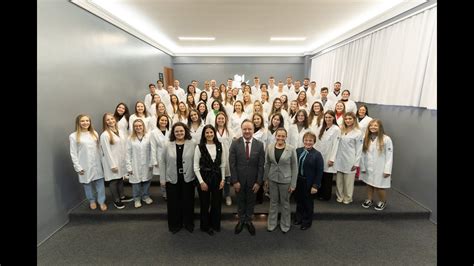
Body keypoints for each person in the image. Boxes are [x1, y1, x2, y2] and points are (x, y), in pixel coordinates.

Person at [229, 120, 265, 236]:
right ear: (241, 130)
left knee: (250, 202)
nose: (247, 131)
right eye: (245, 129)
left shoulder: (259, 145)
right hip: (239, 180)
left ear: (253, 130)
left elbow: (261, 165)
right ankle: (240, 221)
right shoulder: (235, 143)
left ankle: (249, 221)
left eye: (249, 129)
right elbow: (232, 164)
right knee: (240, 202)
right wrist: (234, 181)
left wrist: (259, 182)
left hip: (253, 181)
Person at [160, 122, 197, 233]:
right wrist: (163, 178)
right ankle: (175, 225)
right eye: (176, 131)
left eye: (181, 131)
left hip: (188, 178)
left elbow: (196, 160)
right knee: (173, 203)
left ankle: (188, 223)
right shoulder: (167, 144)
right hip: (172, 178)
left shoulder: (193, 143)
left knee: (188, 202)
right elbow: (163, 162)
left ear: (185, 131)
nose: (179, 133)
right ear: (173, 133)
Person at [69, 114, 107, 211]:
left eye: (87, 121)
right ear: (78, 123)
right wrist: (78, 167)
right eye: (82, 121)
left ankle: (101, 201)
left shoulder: (94, 133)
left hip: (97, 163)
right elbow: (73, 153)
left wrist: (103, 162)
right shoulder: (73, 136)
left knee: (100, 183)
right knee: (87, 184)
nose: (85, 123)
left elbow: (99, 149)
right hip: (84, 164)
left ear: (90, 122)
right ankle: (92, 201)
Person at [264, 128, 298, 233]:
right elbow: (268, 163)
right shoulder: (269, 147)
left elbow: (295, 167)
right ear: (276, 136)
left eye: (283, 136)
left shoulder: (291, 149)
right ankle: (272, 224)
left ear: (286, 137)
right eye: (279, 136)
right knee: (273, 202)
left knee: (285, 203)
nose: (280, 138)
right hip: (272, 179)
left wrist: (293, 184)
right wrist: (266, 179)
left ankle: (285, 225)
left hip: (286, 180)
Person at [194, 125, 226, 235]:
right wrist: (201, 182)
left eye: (211, 132)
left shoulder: (220, 145)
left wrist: (223, 179)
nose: (209, 135)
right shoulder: (199, 147)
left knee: (216, 203)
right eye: (207, 133)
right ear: (204, 134)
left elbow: (222, 164)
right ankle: (205, 226)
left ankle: (215, 224)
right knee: (205, 203)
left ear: (214, 133)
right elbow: (195, 166)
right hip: (204, 177)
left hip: (217, 177)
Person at [100, 113, 133, 209]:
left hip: (120, 160)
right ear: (105, 122)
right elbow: (106, 151)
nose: (110, 121)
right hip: (112, 162)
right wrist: (112, 165)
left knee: (120, 179)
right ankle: (116, 200)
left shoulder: (120, 131)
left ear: (115, 120)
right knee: (113, 181)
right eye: (108, 120)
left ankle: (122, 196)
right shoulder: (104, 135)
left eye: (112, 119)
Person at [360, 119, 393, 211]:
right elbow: (362, 154)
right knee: (369, 184)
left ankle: (382, 201)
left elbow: (389, 156)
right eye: (371, 125)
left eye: (375, 125)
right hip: (368, 166)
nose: (372, 127)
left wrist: (387, 170)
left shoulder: (386, 139)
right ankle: (369, 199)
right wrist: (362, 166)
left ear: (380, 127)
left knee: (379, 186)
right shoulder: (366, 138)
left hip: (380, 167)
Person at [294, 132, 324, 230]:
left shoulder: (317, 155)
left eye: (310, 140)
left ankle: (306, 222)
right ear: (303, 141)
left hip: (309, 182)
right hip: (298, 180)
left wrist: (315, 185)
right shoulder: (297, 151)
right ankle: (298, 218)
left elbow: (319, 172)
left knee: (308, 203)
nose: (308, 142)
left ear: (314, 142)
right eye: (306, 140)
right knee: (299, 201)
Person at [334, 112, 363, 204]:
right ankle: (340, 196)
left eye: (350, 119)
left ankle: (348, 197)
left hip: (350, 159)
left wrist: (356, 163)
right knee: (339, 180)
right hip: (339, 158)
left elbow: (359, 149)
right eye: (346, 119)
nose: (348, 120)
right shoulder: (341, 130)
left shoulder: (358, 132)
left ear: (354, 120)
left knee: (348, 181)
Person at [126, 119, 153, 208]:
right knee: (136, 183)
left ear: (143, 126)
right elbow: (128, 153)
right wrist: (128, 166)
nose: (138, 127)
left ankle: (145, 196)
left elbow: (151, 150)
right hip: (135, 164)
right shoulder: (130, 138)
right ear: (133, 127)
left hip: (147, 162)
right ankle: (137, 199)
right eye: (136, 126)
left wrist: (151, 162)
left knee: (146, 181)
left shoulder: (148, 136)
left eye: (140, 126)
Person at [314, 110, 341, 201]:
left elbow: (336, 145)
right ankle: (319, 193)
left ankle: (326, 196)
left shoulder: (336, 129)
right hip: (321, 155)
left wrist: (332, 159)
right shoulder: (323, 128)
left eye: (330, 117)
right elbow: (318, 142)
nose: (328, 119)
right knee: (320, 176)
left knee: (327, 178)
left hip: (329, 156)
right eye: (326, 117)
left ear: (334, 118)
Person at [215, 112, 234, 206]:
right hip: (215, 156)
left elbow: (233, 144)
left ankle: (227, 195)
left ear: (225, 120)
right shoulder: (213, 130)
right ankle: (216, 196)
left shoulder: (229, 131)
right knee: (216, 176)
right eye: (219, 118)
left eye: (222, 118)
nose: (221, 120)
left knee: (227, 177)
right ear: (216, 120)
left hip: (227, 156)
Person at [150, 114, 171, 201]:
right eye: (162, 120)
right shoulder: (153, 132)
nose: (164, 122)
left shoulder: (170, 131)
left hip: (170, 156)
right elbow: (153, 147)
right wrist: (154, 161)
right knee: (162, 176)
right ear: (158, 121)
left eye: (165, 120)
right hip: (159, 156)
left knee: (169, 175)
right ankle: (164, 193)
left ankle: (170, 192)